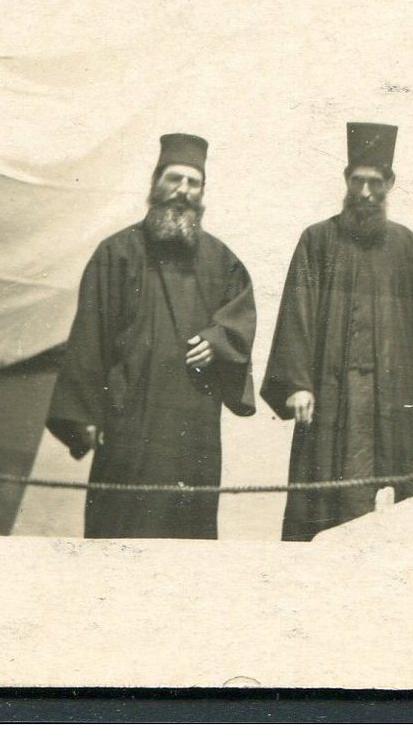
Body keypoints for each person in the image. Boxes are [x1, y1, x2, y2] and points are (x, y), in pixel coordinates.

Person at [46, 133, 258, 539]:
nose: (182, 191)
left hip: (192, 423)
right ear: (155, 183)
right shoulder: (116, 253)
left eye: (193, 183)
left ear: (202, 193)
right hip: (128, 421)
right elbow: (90, 336)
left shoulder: (222, 261)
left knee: (185, 536)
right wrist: (83, 415)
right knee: (120, 529)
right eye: (174, 179)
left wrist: (218, 340)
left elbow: (239, 319)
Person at [261, 122, 413, 542]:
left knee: (391, 505)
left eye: (375, 183)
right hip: (331, 398)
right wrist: (297, 384)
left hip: (392, 398)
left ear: (390, 183)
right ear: (346, 181)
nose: (366, 193)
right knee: (325, 504)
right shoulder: (316, 241)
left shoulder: (407, 246)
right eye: (358, 182)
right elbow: (296, 315)